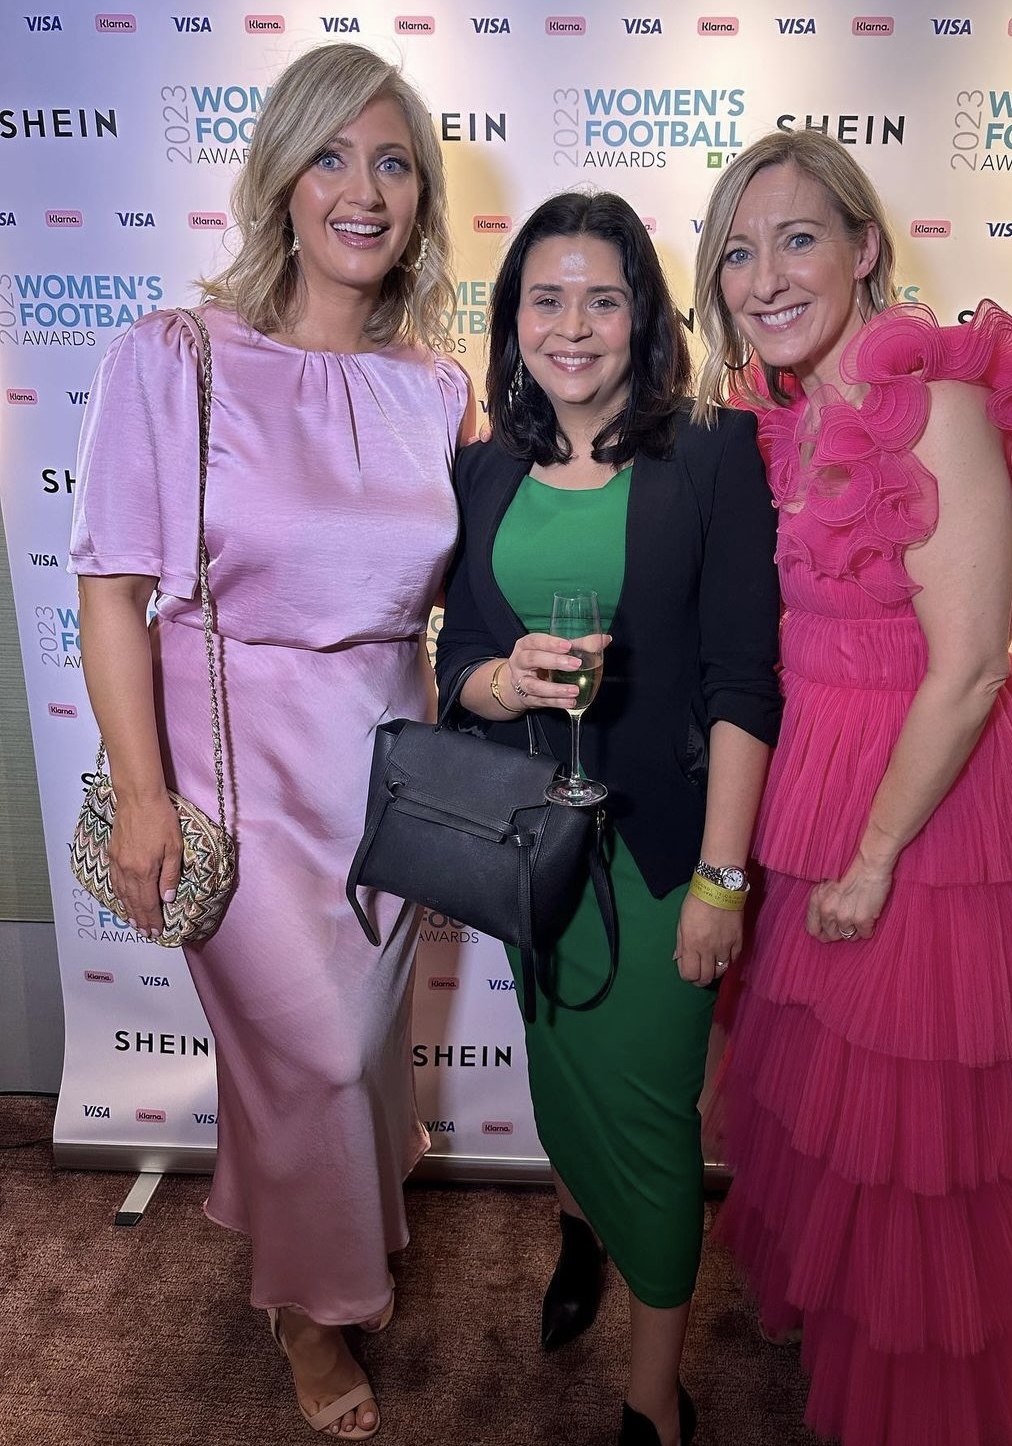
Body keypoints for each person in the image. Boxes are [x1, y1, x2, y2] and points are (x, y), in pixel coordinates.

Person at [69, 43, 471, 1441]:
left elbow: (469, 596)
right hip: (235, 782)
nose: (364, 190)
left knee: (350, 1057)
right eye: (332, 157)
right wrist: (141, 794)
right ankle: (310, 1308)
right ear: (280, 182)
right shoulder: (176, 357)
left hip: (390, 775)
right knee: (313, 1057)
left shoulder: (437, 389)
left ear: (420, 198)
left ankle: (321, 1233)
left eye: (394, 162)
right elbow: (110, 589)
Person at [692, 129, 1012, 1446]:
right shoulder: (784, 413)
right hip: (811, 785)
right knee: (821, 1112)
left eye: (796, 239)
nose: (765, 277)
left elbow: (973, 665)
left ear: (865, 245)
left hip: (919, 814)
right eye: (737, 253)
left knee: (909, 1148)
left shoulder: (939, 404)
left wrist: (872, 857)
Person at [436, 191, 780, 1446]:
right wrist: (504, 678)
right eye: (546, 298)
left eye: (602, 298)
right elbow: (456, 663)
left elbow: (744, 684)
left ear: (645, 316)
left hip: (661, 856)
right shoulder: (482, 469)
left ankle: (653, 1399)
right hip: (532, 853)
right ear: (512, 319)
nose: (572, 326)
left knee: (651, 1118)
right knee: (564, 1086)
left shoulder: (713, 454)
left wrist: (722, 883)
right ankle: (579, 1237)